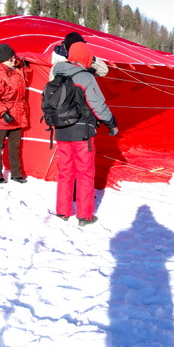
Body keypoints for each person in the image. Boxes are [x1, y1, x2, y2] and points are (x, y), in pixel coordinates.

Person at [52, 41, 118, 226]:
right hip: (82, 133)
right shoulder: (85, 77)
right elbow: (98, 105)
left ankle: (62, 211)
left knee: (65, 172)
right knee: (85, 173)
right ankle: (85, 215)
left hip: (62, 131)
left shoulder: (57, 72)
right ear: (85, 57)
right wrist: (111, 123)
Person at [0, 43, 31, 184]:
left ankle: (16, 174)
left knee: (15, 146)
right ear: (2, 60)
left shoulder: (16, 69)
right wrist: (3, 113)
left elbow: (26, 79)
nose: (13, 60)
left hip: (17, 113)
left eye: (13, 57)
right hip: (3, 117)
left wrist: (26, 66)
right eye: (10, 59)